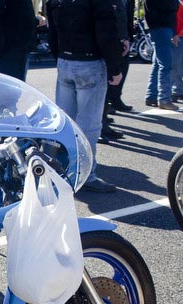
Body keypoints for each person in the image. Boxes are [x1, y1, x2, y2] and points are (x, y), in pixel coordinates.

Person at [47, 0, 123, 192]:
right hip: (90, 62)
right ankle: (85, 174)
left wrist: (59, 57)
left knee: (65, 123)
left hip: (65, 60)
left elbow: (52, 32)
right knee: (89, 125)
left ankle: (62, 170)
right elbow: (106, 32)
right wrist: (115, 67)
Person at [100, 0, 135, 143]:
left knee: (110, 84)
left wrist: (127, 37)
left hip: (120, 39)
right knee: (103, 85)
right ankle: (100, 125)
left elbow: (125, 16)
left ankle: (103, 119)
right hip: (110, 42)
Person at [0, 0, 39, 82]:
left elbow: (19, 12)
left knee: (14, 87)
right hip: (6, 48)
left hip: (18, 47)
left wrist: (34, 20)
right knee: (5, 88)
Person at [144, 0, 180, 110]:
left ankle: (151, 95)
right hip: (162, 27)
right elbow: (171, 7)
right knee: (165, 65)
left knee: (157, 64)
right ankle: (164, 99)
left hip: (159, 27)